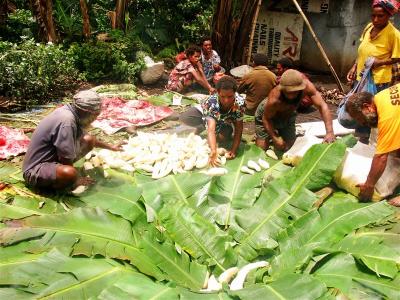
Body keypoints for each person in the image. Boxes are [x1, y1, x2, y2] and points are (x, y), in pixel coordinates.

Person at [22, 90, 123, 190]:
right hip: (34, 169)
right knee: (70, 173)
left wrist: (111, 147)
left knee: (89, 139)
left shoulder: (70, 112)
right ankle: (59, 185)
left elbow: (91, 140)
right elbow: (66, 157)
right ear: (87, 112)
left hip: (52, 158)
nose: (94, 119)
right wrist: (75, 180)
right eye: (95, 115)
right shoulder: (67, 121)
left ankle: (60, 173)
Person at [345, 86, 400, 206]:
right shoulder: (380, 97)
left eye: (359, 117)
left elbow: (381, 157)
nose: (361, 123)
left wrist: (369, 185)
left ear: (367, 107)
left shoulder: (387, 116)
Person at [255, 69, 335, 151]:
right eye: (288, 92)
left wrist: (330, 132)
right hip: (267, 116)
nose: (291, 96)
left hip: (288, 114)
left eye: (295, 92)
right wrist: (275, 137)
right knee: (261, 149)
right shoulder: (274, 98)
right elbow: (266, 119)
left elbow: (322, 106)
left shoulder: (307, 86)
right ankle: (266, 138)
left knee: (290, 148)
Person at [179, 76, 245, 166]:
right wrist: (213, 150)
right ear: (218, 93)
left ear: (235, 93)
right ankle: (201, 125)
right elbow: (211, 129)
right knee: (184, 119)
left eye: (230, 96)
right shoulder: (212, 103)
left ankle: (205, 128)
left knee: (224, 136)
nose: (226, 100)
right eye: (223, 96)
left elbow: (239, 128)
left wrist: (234, 150)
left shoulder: (240, 103)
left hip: (223, 119)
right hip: (204, 112)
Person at [347, 0, 400, 90]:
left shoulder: (394, 34)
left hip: (378, 81)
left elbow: (397, 57)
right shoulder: (369, 27)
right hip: (361, 76)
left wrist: (379, 62)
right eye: (373, 15)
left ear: (388, 16)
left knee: (370, 104)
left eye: (380, 16)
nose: (375, 19)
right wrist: (354, 67)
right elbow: (362, 51)